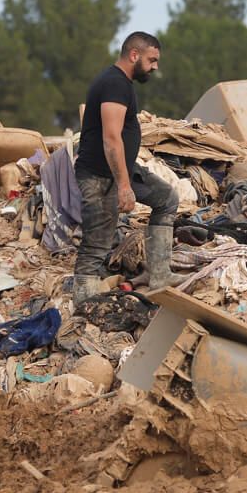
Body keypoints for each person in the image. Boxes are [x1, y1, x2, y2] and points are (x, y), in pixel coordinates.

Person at [73, 31, 179, 306]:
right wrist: (123, 186)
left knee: (166, 199)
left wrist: (127, 178)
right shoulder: (114, 84)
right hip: (99, 176)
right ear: (134, 55)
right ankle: (84, 301)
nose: (155, 66)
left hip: (121, 171)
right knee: (98, 240)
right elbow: (111, 138)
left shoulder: (121, 83)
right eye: (152, 59)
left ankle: (159, 277)